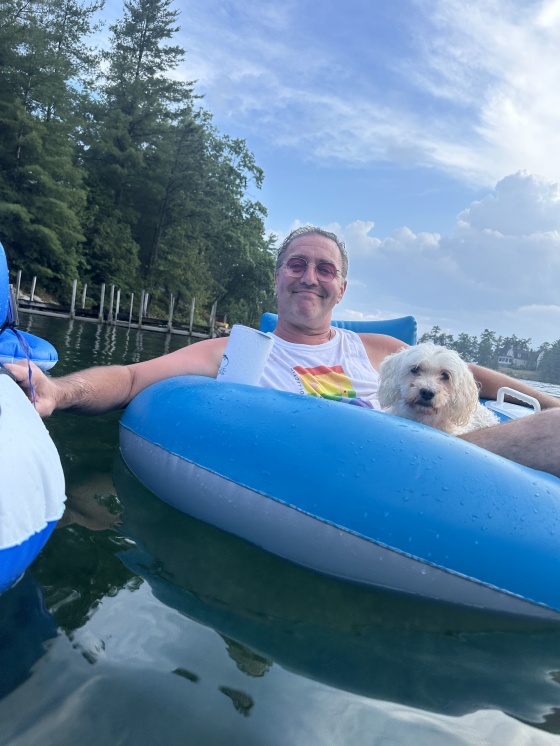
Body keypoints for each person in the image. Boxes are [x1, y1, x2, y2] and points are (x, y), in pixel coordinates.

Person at [7, 226, 560, 477]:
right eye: (296, 264)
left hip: (436, 456)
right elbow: (131, 378)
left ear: (341, 289)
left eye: (325, 269)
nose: (310, 277)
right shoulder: (237, 351)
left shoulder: (380, 348)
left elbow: (473, 376)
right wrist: (59, 390)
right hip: (346, 469)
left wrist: (548, 402)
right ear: (277, 279)